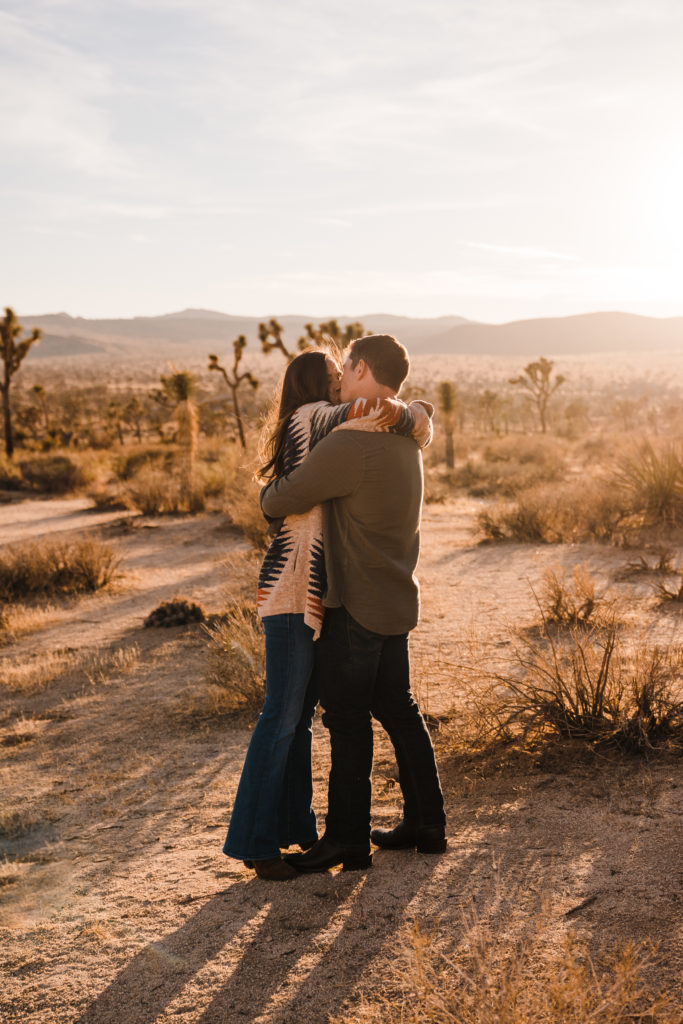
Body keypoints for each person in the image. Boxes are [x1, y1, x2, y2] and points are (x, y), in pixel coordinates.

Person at [223, 347, 432, 880]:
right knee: (323, 714)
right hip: (346, 594)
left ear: (363, 372)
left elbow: (279, 497)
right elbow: (388, 415)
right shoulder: (391, 440)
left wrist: (412, 411)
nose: (341, 385)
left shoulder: (346, 440)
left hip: (339, 599)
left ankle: (330, 837)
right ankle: (421, 825)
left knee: (325, 719)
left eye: (347, 374)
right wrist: (420, 413)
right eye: (333, 378)